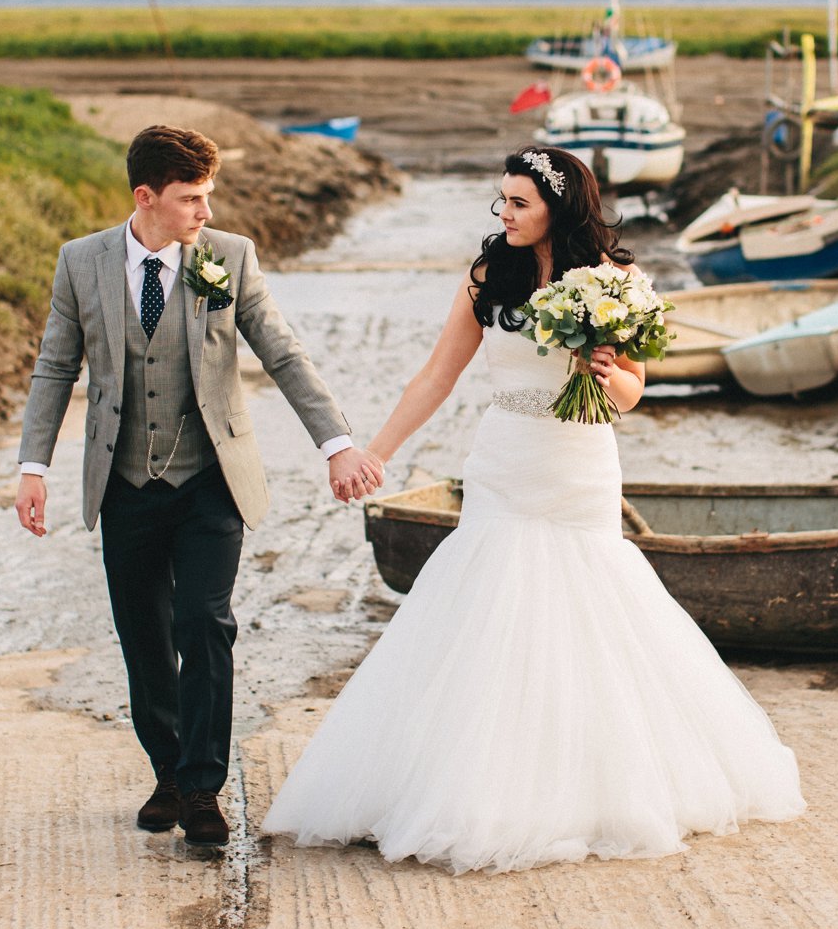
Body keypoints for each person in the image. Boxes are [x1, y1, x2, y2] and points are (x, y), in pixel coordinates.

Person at [260, 145, 805, 874]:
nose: (504, 214)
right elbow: (435, 376)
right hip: (506, 461)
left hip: (580, 463)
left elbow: (636, 390)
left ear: (559, 206)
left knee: (591, 606)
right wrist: (375, 451)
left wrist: (608, 376)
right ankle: (473, 784)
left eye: (518, 202)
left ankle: (594, 783)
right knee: (489, 607)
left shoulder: (615, 281)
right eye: (502, 201)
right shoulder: (489, 274)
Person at [12, 125, 383, 848]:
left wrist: (336, 443)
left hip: (211, 477)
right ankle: (169, 772)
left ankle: (205, 786)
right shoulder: (81, 263)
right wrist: (33, 466)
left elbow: (281, 350)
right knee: (144, 634)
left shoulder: (228, 257)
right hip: (123, 480)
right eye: (191, 199)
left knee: (205, 624)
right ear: (145, 198)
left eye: (208, 196)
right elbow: (56, 367)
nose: (205, 213)